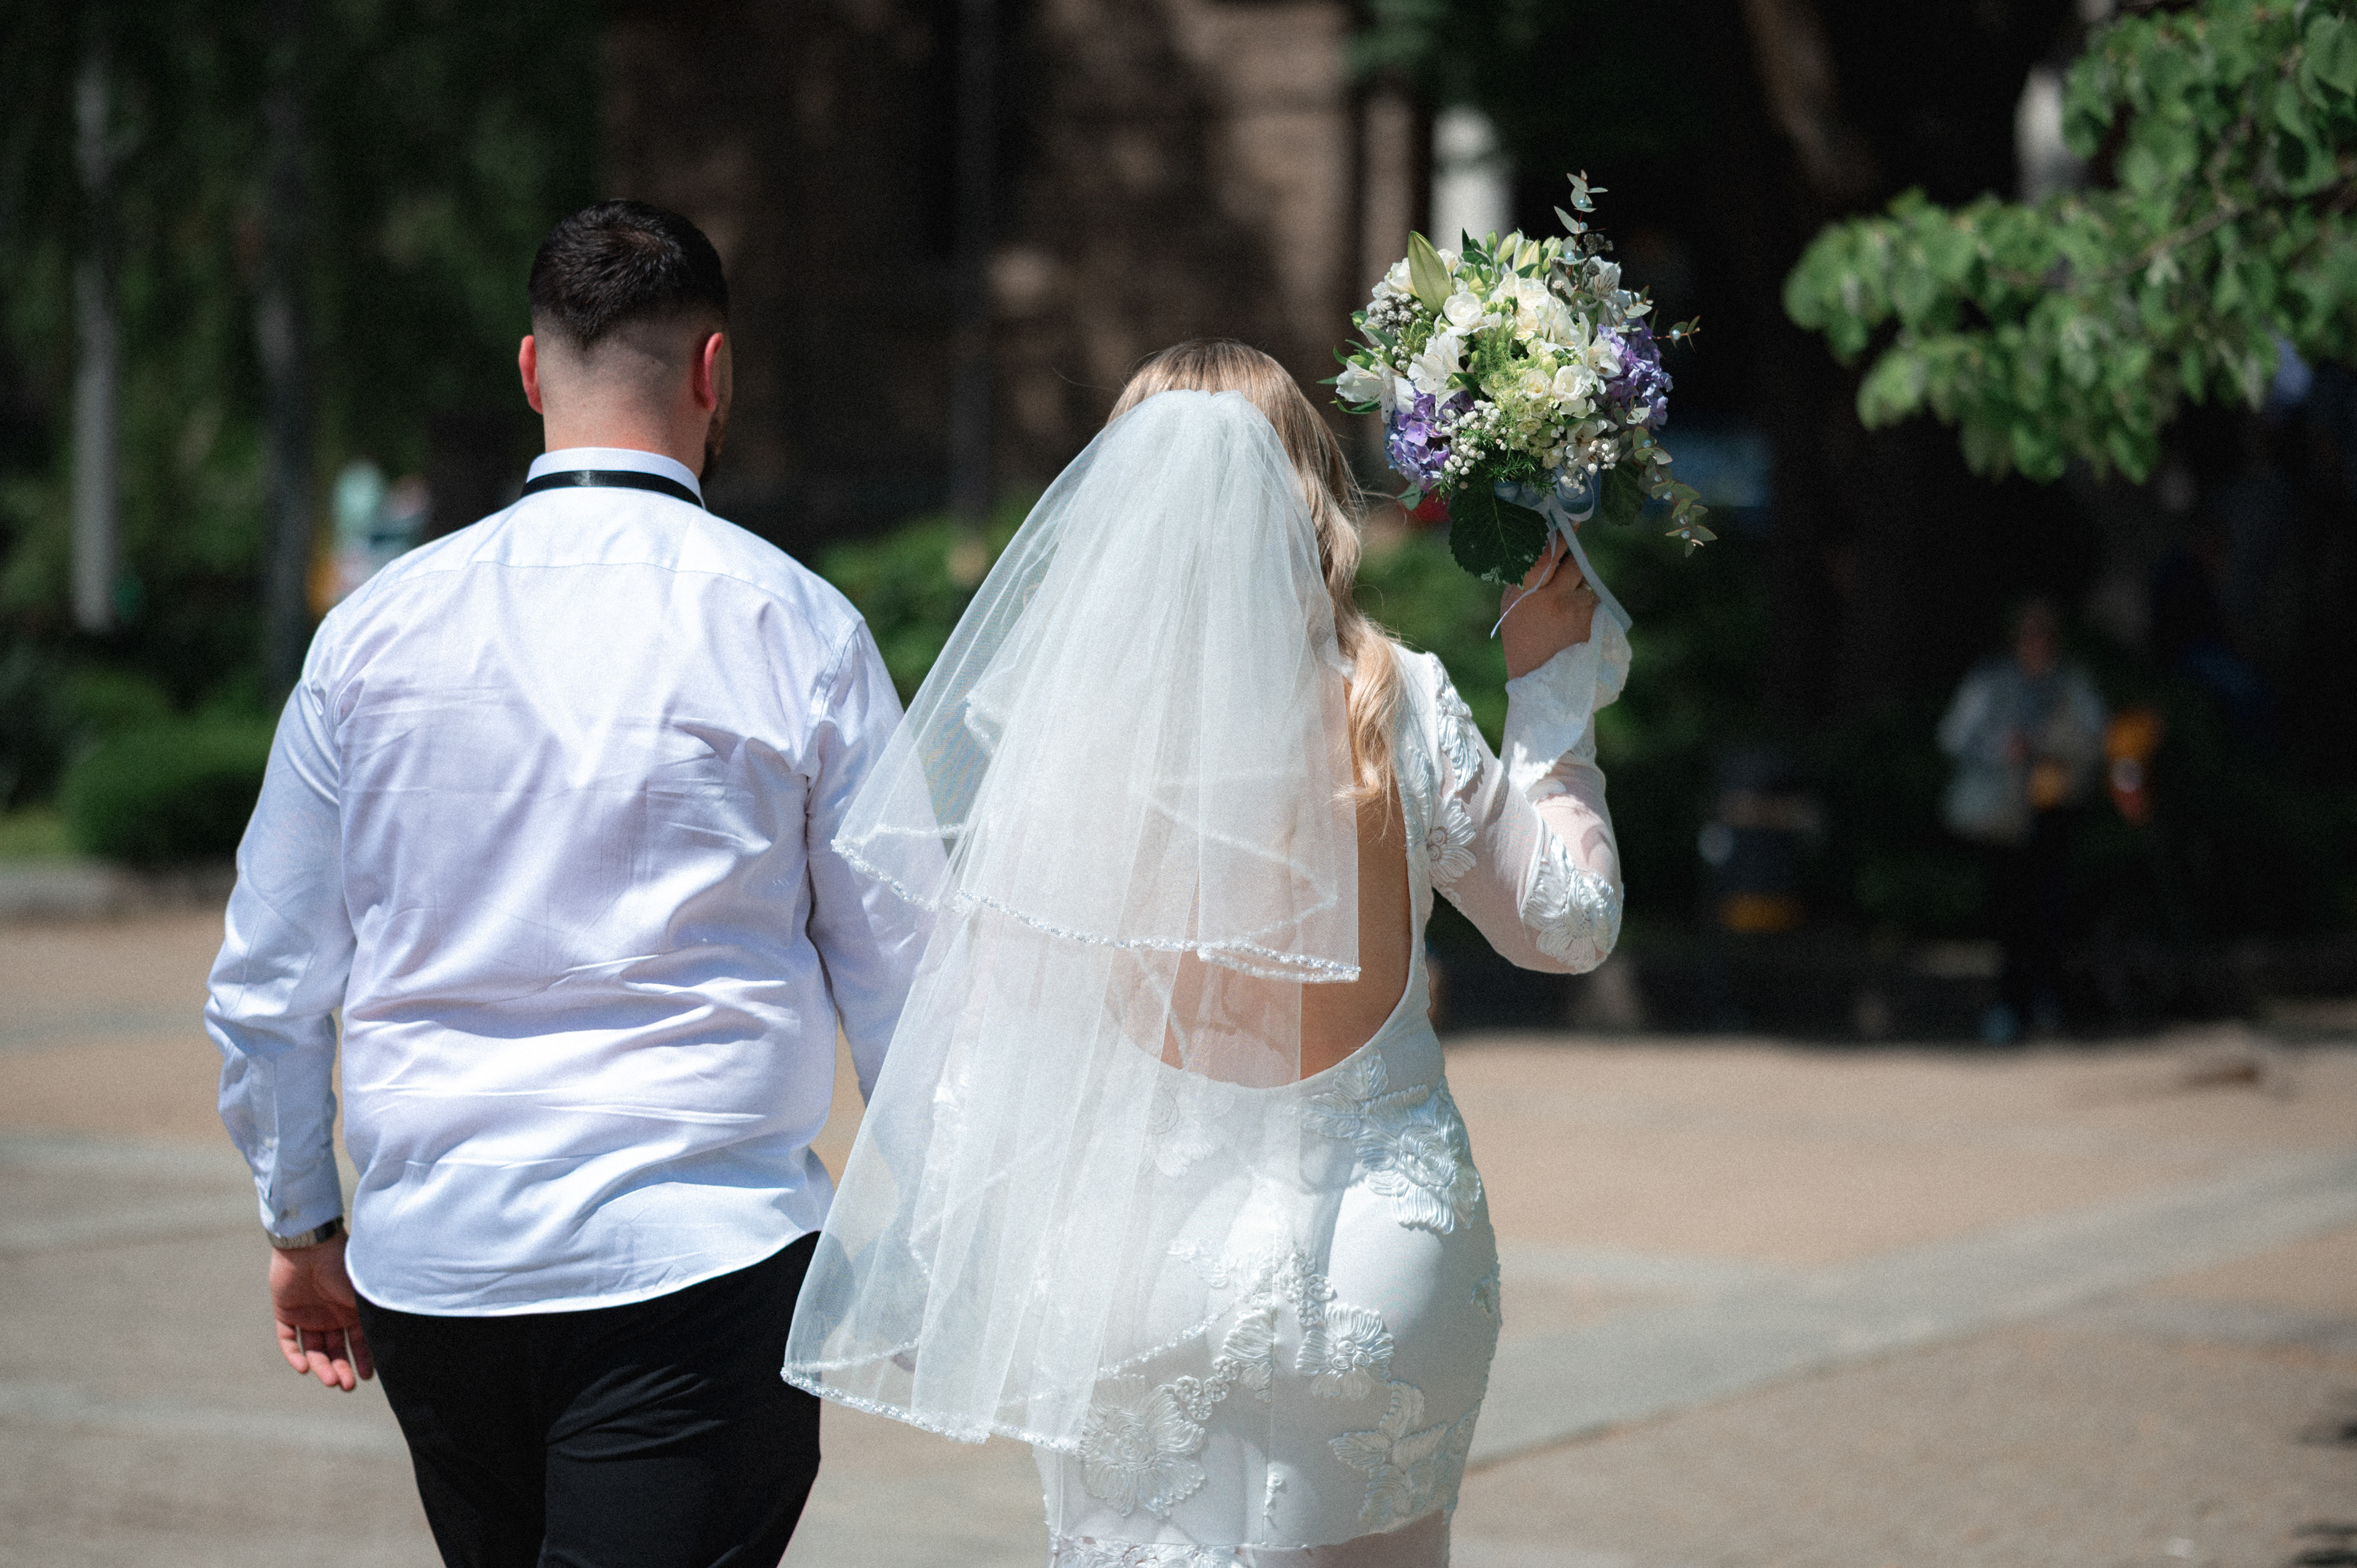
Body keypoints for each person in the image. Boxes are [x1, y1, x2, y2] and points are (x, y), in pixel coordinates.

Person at [784, 341, 1625, 1565]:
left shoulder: (1072, 746)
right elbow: (1567, 925)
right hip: (1377, 1263)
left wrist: (948, 1258)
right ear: (1312, 498)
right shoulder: (1398, 700)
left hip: (1137, 1279)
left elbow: (977, 1057)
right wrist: (1553, 701)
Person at [204, 199, 925, 1568]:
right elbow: (905, 967)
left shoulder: (372, 630)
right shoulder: (796, 625)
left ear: (532, 372)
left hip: (438, 1262)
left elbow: (269, 975)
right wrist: (937, 1226)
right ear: (715, 371)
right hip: (703, 1255)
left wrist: (302, 1221)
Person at [1937, 598, 2107, 1043]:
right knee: (2009, 912)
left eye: (2043, 637)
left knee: (2050, 910)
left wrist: (2049, 744)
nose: (2034, 645)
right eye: (2028, 637)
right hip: (2005, 817)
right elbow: (1955, 735)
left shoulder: (2072, 685)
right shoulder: (1992, 682)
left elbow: (2095, 740)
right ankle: (2007, 1006)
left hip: (2055, 812)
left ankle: (2046, 1001)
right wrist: (2001, 748)